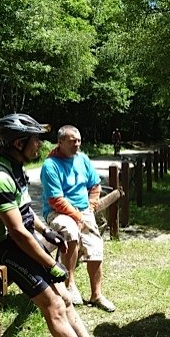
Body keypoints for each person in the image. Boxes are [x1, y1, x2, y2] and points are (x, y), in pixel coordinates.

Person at [0, 113, 100, 337]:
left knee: (63, 295)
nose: (41, 144)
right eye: (35, 139)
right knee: (53, 305)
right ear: (19, 143)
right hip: (5, 248)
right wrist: (51, 264)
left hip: (23, 241)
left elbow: (24, 212)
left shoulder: (15, 170)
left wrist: (46, 230)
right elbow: (16, 231)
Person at [41, 125, 115, 313]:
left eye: (79, 140)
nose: (77, 144)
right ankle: (69, 284)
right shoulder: (50, 165)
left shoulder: (82, 159)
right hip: (57, 212)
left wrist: (90, 206)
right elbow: (55, 199)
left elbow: (95, 184)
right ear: (60, 142)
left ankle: (96, 294)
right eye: (72, 141)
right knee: (70, 231)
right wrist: (77, 216)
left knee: (95, 245)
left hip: (83, 211)